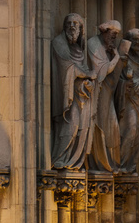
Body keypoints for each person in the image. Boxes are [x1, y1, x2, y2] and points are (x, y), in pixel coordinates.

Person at [50, 13, 95, 170]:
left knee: (83, 126)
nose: (72, 26)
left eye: (76, 23)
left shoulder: (79, 50)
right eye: (69, 23)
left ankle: (74, 161)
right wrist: (88, 74)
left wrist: (88, 83)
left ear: (81, 29)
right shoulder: (58, 43)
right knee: (72, 121)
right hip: (65, 98)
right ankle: (60, 158)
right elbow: (68, 67)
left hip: (81, 95)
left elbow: (82, 70)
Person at [88, 21, 122, 172]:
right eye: (113, 35)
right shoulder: (93, 44)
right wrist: (116, 58)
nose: (114, 39)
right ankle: (101, 164)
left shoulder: (107, 47)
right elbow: (102, 70)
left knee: (113, 126)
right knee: (104, 125)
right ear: (105, 32)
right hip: (98, 94)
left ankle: (110, 163)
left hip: (108, 93)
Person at [116, 29, 139, 173]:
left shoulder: (138, 59)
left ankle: (130, 166)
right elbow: (112, 79)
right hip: (128, 100)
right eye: (134, 40)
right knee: (131, 129)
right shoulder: (123, 56)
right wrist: (127, 80)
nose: (137, 43)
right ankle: (120, 164)